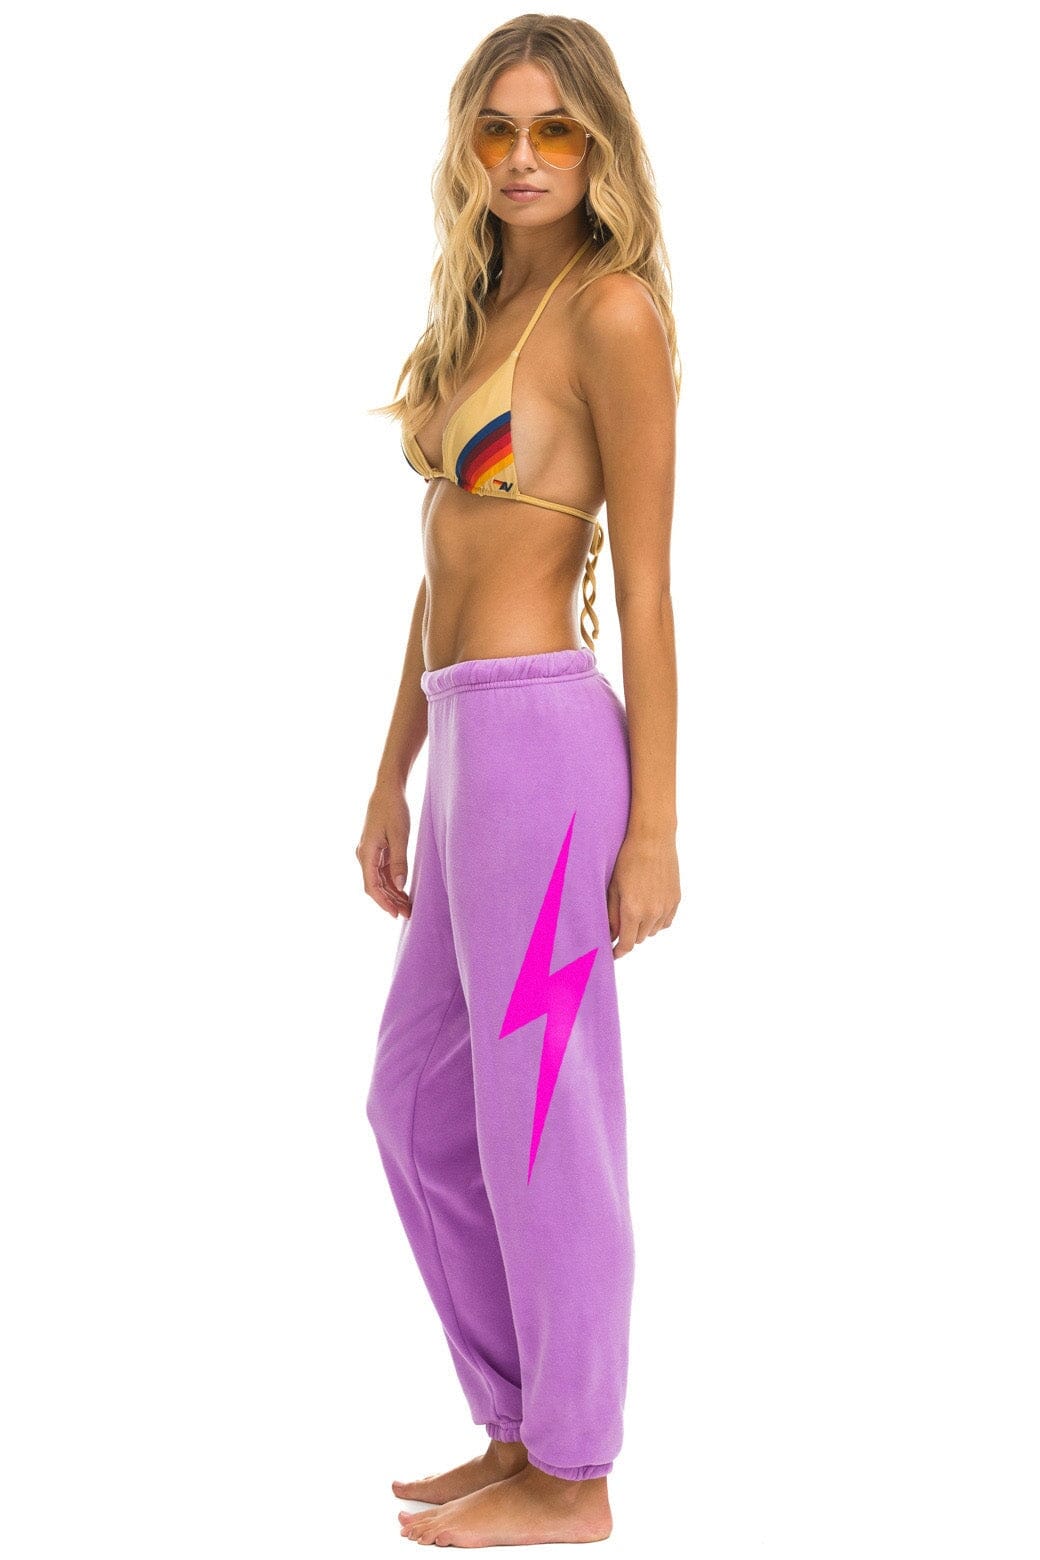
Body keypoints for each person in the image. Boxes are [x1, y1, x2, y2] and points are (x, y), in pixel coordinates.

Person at [357, 15, 681, 1548]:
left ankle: (577, 1471)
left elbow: (654, 588)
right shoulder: (485, 302)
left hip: (549, 751)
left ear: (598, 141)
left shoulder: (610, 315)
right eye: (498, 130)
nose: (525, 157)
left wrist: (657, 824)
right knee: (417, 1105)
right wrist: (390, 773)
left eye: (555, 130)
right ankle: (517, 1422)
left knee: (545, 1116)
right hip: (464, 747)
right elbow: (441, 572)